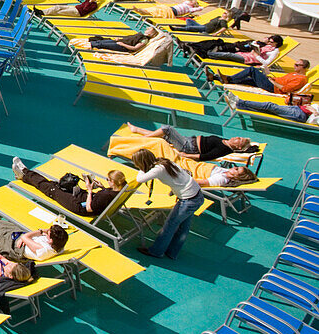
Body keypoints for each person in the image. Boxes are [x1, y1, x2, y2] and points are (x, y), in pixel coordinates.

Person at [129, 150, 204, 259]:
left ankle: (157, 251)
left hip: (188, 201)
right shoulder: (164, 162)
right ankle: (172, 252)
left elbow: (140, 179)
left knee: (169, 226)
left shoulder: (157, 170)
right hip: (196, 195)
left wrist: (142, 168)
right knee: (183, 227)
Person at [0, 196, 69, 262]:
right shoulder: (59, 246)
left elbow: (25, 237)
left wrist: (40, 232)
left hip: (11, 244)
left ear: (51, 240)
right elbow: (26, 237)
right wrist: (26, 238)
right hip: (18, 237)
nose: (46, 233)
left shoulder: (43, 251)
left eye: (48, 234)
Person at [13, 157, 126, 217]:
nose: (107, 181)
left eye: (108, 180)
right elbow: (105, 197)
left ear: (113, 182)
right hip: (88, 198)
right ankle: (26, 174)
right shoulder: (120, 190)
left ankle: (24, 173)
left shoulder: (106, 195)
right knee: (59, 185)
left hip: (79, 206)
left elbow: (89, 208)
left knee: (51, 189)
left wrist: (90, 190)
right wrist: (102, 187)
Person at [124, 123, 253, 161]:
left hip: (188, 148)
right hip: (188, 141)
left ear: (238, 147)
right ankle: (136, 129)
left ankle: (143, 138)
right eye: (238, 137)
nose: (236, 138)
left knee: (167, 129)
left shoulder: (224, 149)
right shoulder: (225, 142)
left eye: (239, 140)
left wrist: (183, 155)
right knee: (162, 136)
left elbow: (203, 157)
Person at [211, 59, 310, 94]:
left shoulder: (301, 79)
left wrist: (272, 82)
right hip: (271, 82)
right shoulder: (294, 73)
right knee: (245, 80)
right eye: (295, 64)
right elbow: (282, 80)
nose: (294, 66)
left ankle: (227, 79)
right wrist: (270, 76)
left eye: (297, 65)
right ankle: (215, 77)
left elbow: (285, 89)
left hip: (273, 87)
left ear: (304, 68)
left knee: (252, 70)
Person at [184, 35, 282, 66]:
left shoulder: (275, 51)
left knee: (228, 54)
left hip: (249, 60)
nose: (269, 42)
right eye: (269, 40)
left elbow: (266, 63)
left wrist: (256, 55)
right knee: (223, 50)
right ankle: (200, 51)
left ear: (277, 44)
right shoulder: (266, 46)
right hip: (245, 54)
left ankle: (203, 54)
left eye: (271, 42)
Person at [231, 95, 319, 125]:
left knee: (269, 106)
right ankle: (239, 106)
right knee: (267, 110)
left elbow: (316, 116)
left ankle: (239, 101)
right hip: (299, 109)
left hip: (301, 114)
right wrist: (312, 108)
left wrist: (313, 110)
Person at [34, 0, 99, 17]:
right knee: (58, 7)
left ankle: (41, 13)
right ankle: (41, 11)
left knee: (59, 12)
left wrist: (90, 2)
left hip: (78, 12)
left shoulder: (94, 5)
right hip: (75, 8)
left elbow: (85, 9)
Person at [88, 27, 158, 53]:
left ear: (151, 33)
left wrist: (122, 44)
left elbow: (134, 48)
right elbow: (129, 39)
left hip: (123, 47)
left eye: (149, 30)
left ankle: (85, 47)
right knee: (99, 41)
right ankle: (85, 44)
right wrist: (120, 40)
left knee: (100, 44)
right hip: (120, 42)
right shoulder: (141, 35)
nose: (146, 29)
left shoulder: (144, 40)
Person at [183, 7, 249, 34]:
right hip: (203, 26)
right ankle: (194, 29)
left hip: (206, 29)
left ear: (227, 16)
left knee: (189, 27)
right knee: (188, 20)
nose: (223, 13)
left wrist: (216, 33)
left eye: (225, 13)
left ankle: (176, 29)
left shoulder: (223, 21)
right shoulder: (219, 17)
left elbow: (224, 28)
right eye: (223, 12)